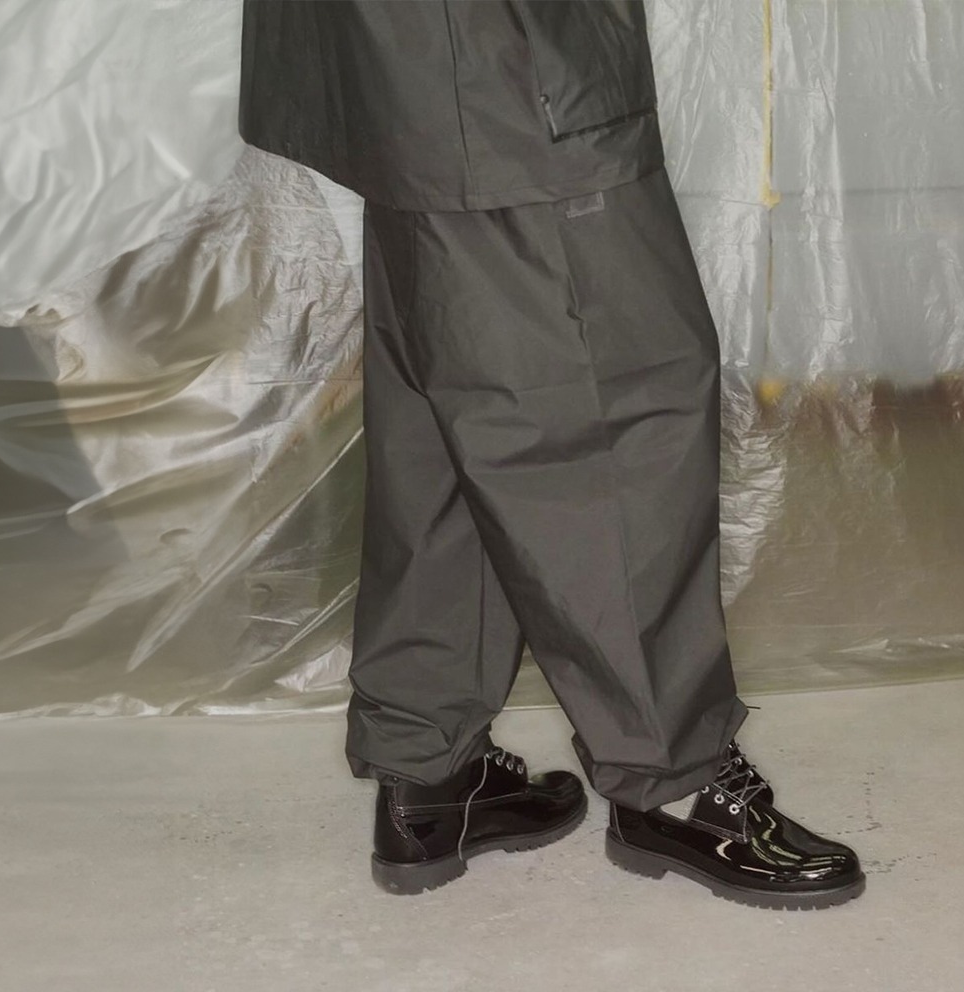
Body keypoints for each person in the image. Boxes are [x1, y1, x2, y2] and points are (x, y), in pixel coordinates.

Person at [239, 0, 862, 909]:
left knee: (450, 401)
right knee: (607, 411)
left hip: (409, 59)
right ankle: (670, 777)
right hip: (500, 55)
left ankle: (430, 762)